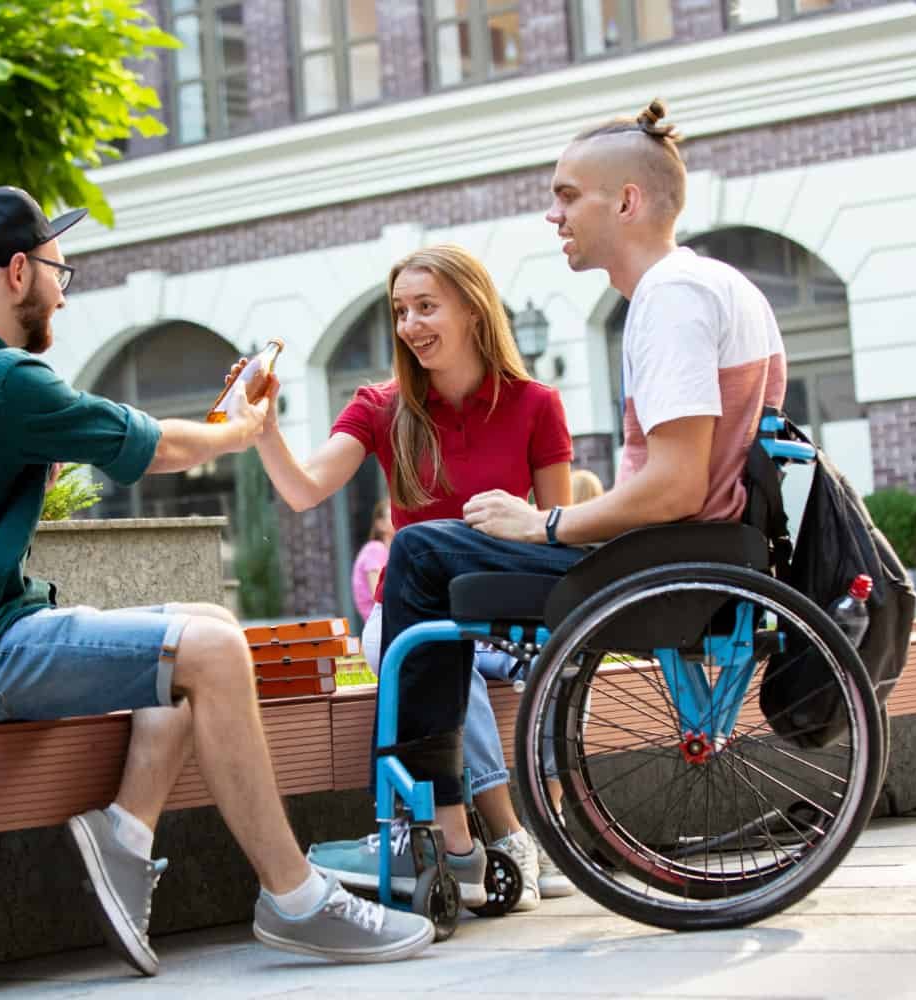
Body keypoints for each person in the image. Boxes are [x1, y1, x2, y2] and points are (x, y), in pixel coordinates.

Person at [0, 186, 433, 977]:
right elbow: (155, 447)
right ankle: (295, 898)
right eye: (60, 270)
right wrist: (243, 428)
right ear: (18, 272)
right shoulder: (3, 379)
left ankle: (124, 837)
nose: (62, 287)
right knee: (215, 650)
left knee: (197, 626)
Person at [333, 99, 787, 868]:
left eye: (567, 195)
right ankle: (451, 834)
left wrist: (544, 524)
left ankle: (435, 838)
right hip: (702, 551)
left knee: (419, 556)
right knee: (438, 552)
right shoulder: (713, 283)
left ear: (628, 201)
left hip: (666, 558)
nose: (553, 215)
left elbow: (675, 487)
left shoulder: (669, 299)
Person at [251, 244, 573, 910]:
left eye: (427, 307)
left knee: (440, 648)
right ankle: (497, 837)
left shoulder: (536, 404)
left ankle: (450, 838)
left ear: (474, 311)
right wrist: (264, 429)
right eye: (401, 311)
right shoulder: (380, 406)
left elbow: (556, 536)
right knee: (427, 647)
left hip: (505, 613)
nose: (410, 326)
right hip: (416, 618)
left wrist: (526, 520)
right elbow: (306, 490)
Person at [351, 499, 393, 621]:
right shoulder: (375, 549)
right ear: (380, 525)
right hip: (381, 626)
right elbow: (378, 594)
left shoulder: (387, 551)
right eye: (392, 515)